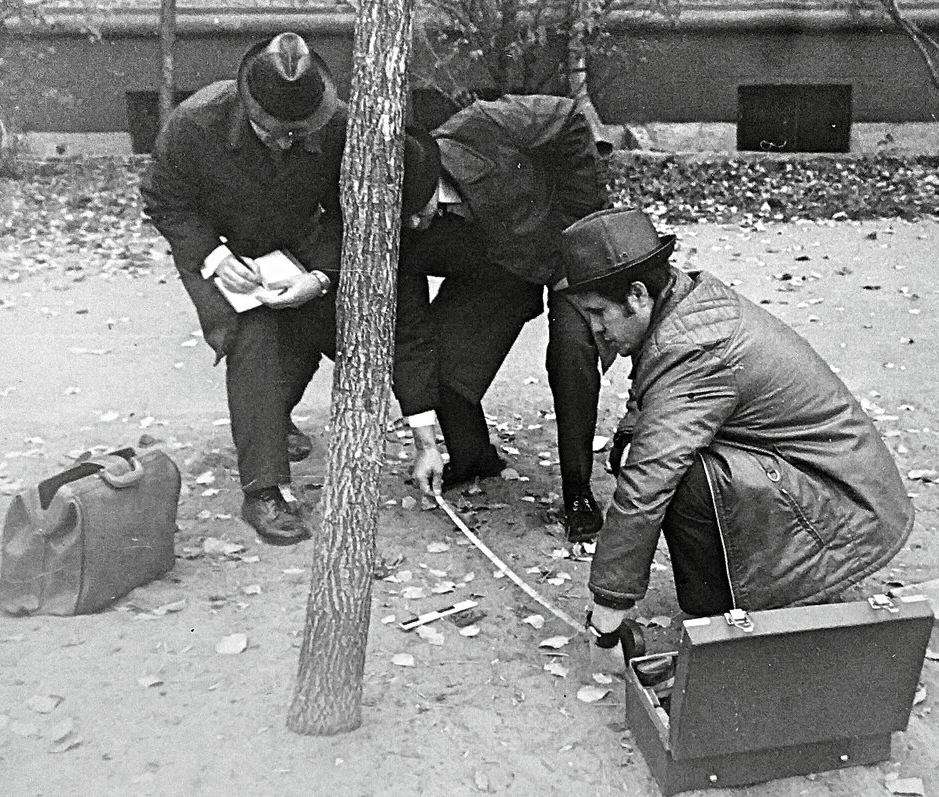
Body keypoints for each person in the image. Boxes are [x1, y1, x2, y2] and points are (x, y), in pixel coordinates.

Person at [557, 208, 915, 644]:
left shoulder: (692, 346)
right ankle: (726, 601)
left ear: (636, 295)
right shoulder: (686, 305)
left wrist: (608, 613)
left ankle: (727, 616)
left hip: (847, 513)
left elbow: (648, 480)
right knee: (674, 462)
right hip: (839, 493)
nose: (595, 331)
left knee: (680, 476)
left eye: (598, 313)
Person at [140, 32, 346, 546]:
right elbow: (163, 198)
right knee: (251, 336)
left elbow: (351, 211)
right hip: (218, 250)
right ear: (248, 103)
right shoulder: (195, 122)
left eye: (298, 133)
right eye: (273, 131)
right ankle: (264, 489)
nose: (286, 141)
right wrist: (214, 257)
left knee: (308, 325)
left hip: (292, 250)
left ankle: (269, 424)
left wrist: (319, 275)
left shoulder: (340, 124)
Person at [395, 95, 610, 541]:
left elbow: (568, 118)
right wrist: (426, 441)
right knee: (438, 355)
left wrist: (579, 220)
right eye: (404, 218)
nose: (414, 225)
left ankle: (578, 492)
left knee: (572, 352)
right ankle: (474, 457)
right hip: (502, 272)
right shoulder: (400, 230)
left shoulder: (482, 125)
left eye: (420, 208)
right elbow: (410, 329)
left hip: (567, 244)